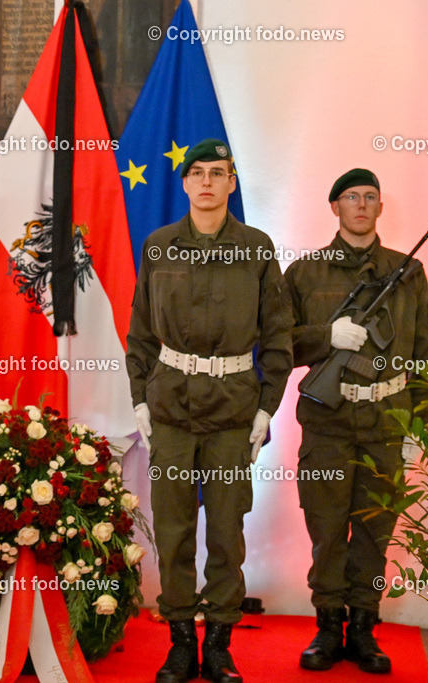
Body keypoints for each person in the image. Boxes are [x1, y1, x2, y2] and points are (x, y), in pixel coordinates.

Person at [126, 139, 293, 683]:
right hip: (171, 410)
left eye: (217, 173)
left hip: (232, 413)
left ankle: (219, 644)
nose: (205, 182)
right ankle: (179, 642)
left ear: (231, 184)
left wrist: (268, 408)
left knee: (225, 530)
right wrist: (138, 400)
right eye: (196, 173)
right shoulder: (159, 246)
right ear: (185, 183)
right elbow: (142, 334)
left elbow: (278, 339)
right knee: (173, 530)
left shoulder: (257, 249)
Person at [284, 169, 428, 674]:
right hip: (329, 422)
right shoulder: (305, 273)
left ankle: (364, 628)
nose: (361, 204)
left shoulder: (407, 272)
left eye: (370, 197)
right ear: (334, 207)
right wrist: (328, 335)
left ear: (379, 208)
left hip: (386, 424)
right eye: (351, 197)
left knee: (376, 532)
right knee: (327, 529)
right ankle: (329, 627)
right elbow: (278, 343)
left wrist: (419, 425)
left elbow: (425, 352)